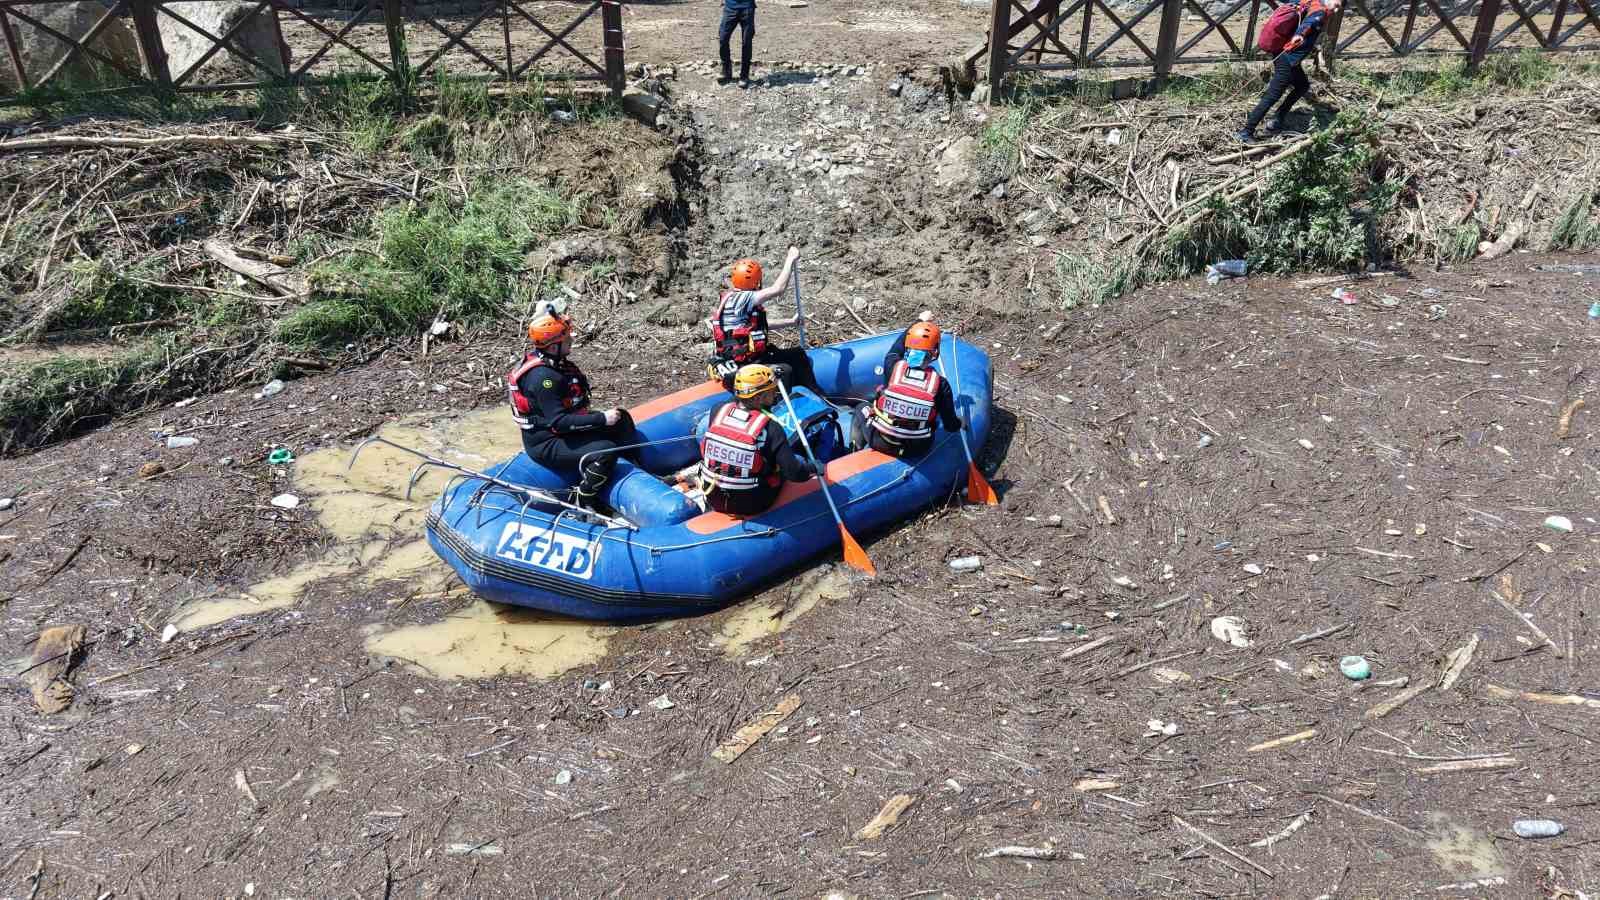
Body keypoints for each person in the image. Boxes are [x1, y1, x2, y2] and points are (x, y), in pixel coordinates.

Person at [506, 312, 632, 511]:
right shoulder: (543, 378)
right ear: (553, 346)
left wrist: (604, 419)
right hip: (546, 443)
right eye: (566, 339)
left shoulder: (555, 363)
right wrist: (601, 419)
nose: (571, 341)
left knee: (621, 418)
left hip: (563, 430)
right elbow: (559, 422)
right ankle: (585, 500)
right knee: (605, 450)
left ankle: (637, 472)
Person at [698, 364, 823, 516]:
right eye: (771, 391)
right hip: (752, 502)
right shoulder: (771, 427)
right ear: (758, 397)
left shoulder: (718, 410)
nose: (775, 394)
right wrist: (813, 468)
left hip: (712, 496)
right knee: (797, 459)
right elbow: (795, 474)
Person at [706, 245, 821, 396]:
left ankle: (813, 394)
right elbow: (778, 289)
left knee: (797, 354)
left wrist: (791, 322)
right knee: (785, 370)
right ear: (755, 281)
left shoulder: (734, 299)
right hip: (743, 363)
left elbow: (760, 327)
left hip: (748, 358)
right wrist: (790, 259)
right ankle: (783, 401)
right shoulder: (743, 298)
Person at [1235, 0, 1341, 143]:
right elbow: (1308, 24)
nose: (1336, 11)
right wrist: (1299, 35)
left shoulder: (1312, 3)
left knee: (1302, 86)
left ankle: (1277, 120)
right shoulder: (1320, 12)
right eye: (1336, 5)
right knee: (1272, 96)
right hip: (1287, 59)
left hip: (1287, 56)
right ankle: (1246, 132)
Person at [854, 320, 962, 458]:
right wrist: (960, 422)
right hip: (918, 448)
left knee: (861, 407)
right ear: (934, 353)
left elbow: (896, 349)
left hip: (879, 441)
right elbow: (951, 426)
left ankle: (855, 448)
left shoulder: (892, 366)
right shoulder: (941, 384)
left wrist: (919, 321)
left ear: (908, 347)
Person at [718, 0, 757, 88]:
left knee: (746, 42)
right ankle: (726, 70)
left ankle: (744, 75)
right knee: (723, 38)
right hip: (730, 7)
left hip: (747, 7)